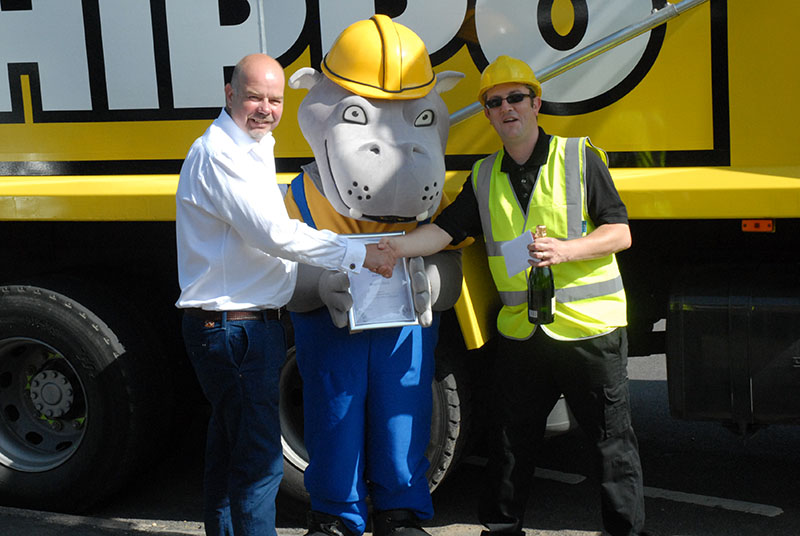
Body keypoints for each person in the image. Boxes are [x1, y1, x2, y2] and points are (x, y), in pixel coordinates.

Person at [379, 55, 649, 536]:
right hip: (525, 334)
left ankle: (626, 531)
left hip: (590, 331)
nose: (507, 108)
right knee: (509, 441)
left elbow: (619, 233)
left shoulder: (578, 156)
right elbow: (443, 232)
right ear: (487, 114)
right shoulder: (483, 177)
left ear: (535, 103)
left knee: (611, 443)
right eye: (495, 101)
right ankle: (501, 528)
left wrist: (567, 251)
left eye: (516, 98)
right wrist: (393, 249)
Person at [175, 53, 395, 536]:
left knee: (230, 453)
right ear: (229, 94)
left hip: (243, 327)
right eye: (254, 96)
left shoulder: (253, 146)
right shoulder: (222, 154)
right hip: (235, 330)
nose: (266, 108)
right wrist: (357, 254)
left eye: (275, 99)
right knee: (258, 465)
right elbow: (273, 234)